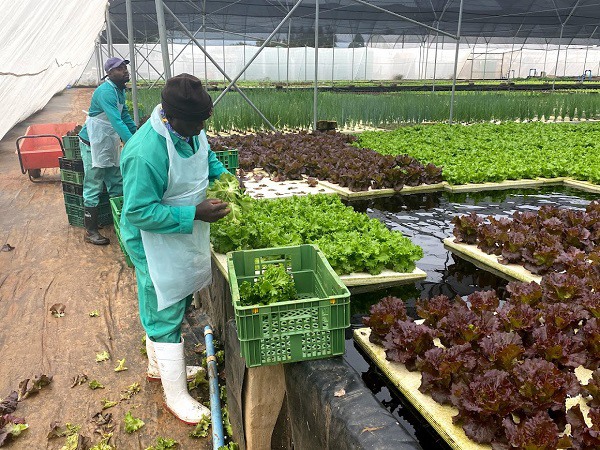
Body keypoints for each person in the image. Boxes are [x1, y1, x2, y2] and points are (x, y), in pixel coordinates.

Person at [119, 73, 231, 424]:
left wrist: (227, 180)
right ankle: (176, 396)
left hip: (179, 233)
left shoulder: (189, 130)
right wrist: (195, 213)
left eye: (204, 121)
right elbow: (138, 212)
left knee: (177, 297)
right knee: (163, 306)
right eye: (196, 122)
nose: (202, 128)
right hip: (151, 240)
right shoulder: (145, 152)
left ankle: (159, 367)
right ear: (172, 116)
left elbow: (206, 159)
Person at [79, 57, 137, 245]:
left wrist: (137, 137)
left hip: (107, 141)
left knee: (116, 181)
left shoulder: (120, 91)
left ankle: (120, 222)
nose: (125, 70)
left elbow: (124, 116)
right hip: (92, 143)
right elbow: (116, 121)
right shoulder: (105, 92)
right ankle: (90, 231)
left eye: (125, 67)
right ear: (109, 73)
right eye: (119, 68)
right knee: (93, 185)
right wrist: (132, 143)